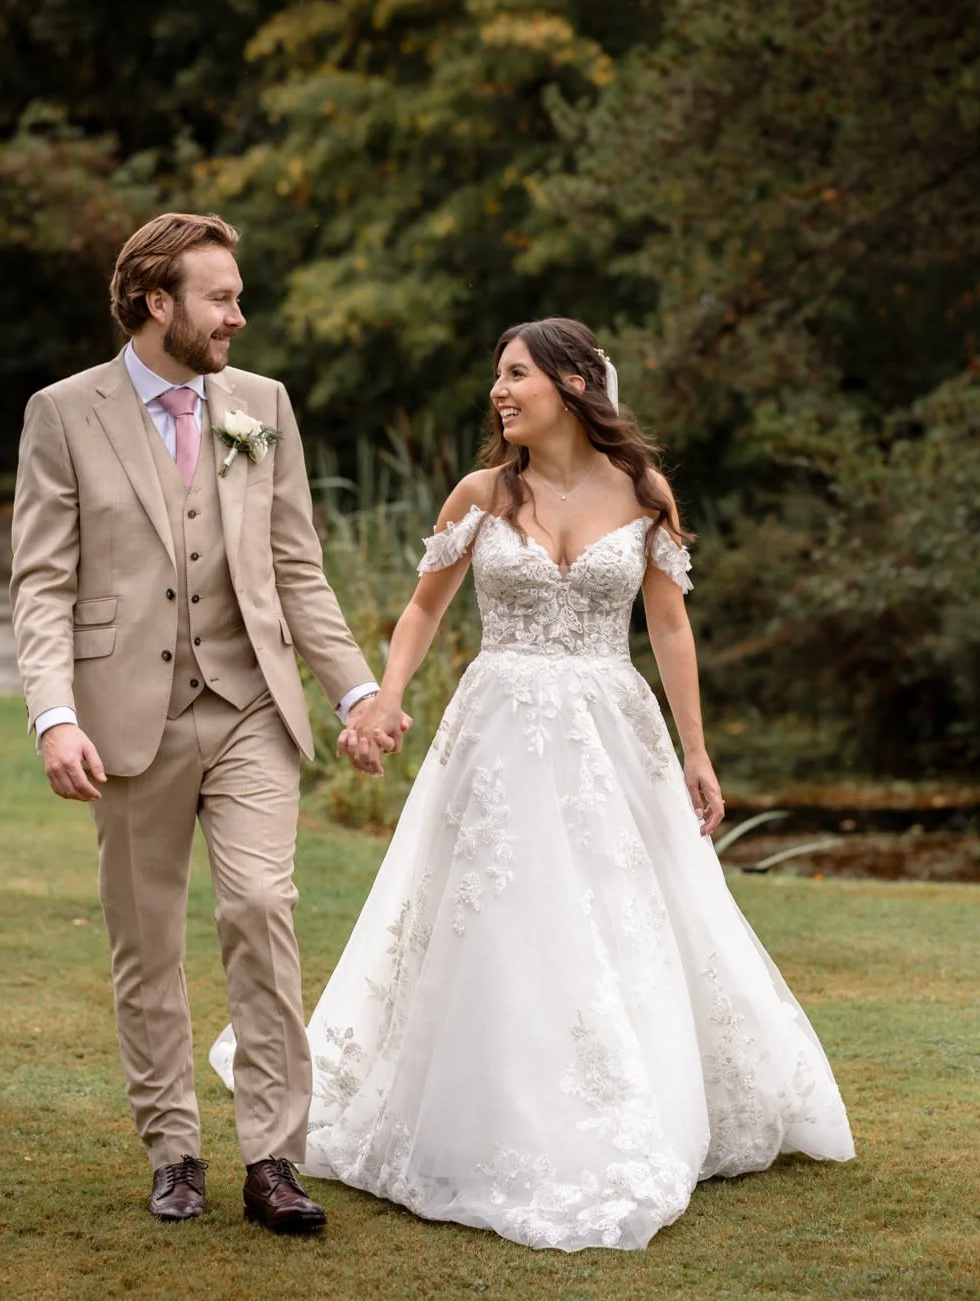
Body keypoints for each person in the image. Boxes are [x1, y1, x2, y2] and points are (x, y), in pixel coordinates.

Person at [209, 316, 855, 1251]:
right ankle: (491, 1102)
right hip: (499, 728)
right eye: (496, 378)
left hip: (611, 729)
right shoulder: (478, 494)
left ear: (574, 385)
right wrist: (383, 701)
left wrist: (697, 751)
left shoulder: (643, 494)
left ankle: (640, 1089)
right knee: (502, 907)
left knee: (626, 908)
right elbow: (423, 609)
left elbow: (670, 630)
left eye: (516, 376)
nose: (499, 393)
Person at [10, 212, 402, 1233]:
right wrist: (55, 714)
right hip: (124, 717)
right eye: (220, 296)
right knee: (145, 940)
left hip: (248, 708)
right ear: (156, 302)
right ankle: (173, 1148)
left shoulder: (260, 406)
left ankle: (273, 1155)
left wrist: (355, 689)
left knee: (261, 908)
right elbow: (42, 581)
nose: (239, 313)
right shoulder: (63, 413)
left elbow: (298, 567)